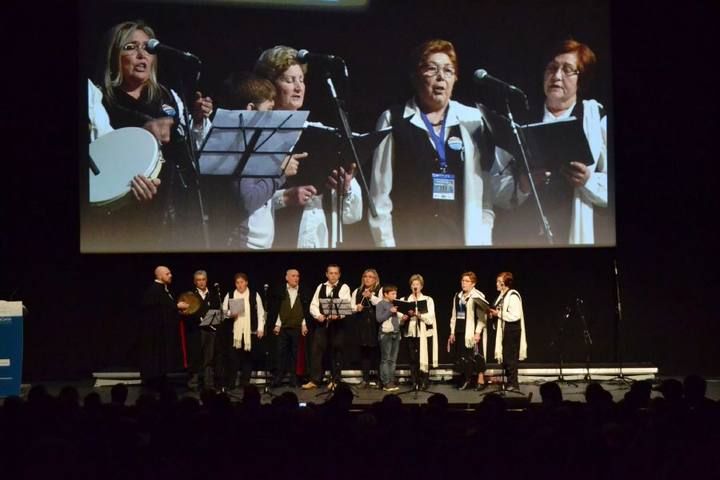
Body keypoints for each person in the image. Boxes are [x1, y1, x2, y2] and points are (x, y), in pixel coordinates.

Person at [95, 20, 213, 249]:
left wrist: (198, 121)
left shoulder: (168, 97)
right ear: (113, 56)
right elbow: (99, 161)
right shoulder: (101, 101)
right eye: (130, 47)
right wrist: (141, 136)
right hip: (130, 216)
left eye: (147, 48)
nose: (142, 54)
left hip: (179, 206)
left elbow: (193, 149)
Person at [369, 39, 497, 248]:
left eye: (448, 71)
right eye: (432, 69)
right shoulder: (393, 119)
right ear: (416, 76)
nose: (441, 77)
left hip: (460, 240)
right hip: (409, 240)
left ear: (455, 78)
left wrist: (482, 239)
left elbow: (485, 194)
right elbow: (379, 195)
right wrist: (386, 245)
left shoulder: (472, 120)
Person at [499, 39, 608, 246]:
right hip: (525, 235)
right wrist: (523, 184)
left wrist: (588, 181)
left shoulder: (595, 118)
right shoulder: (522, 120)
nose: (557, 76)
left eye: (567, 70)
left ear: (581, 79)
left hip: (574, 233)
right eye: (552, 68)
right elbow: (495, 185)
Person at [254, 45, 362, 249]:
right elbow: (237, 199)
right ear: (269, 85)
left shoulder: (321, 134)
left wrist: (345, 188)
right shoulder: (256, 134)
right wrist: (285, 197)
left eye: (301, 80)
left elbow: (353, 216)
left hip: (320, 235)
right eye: (289, 80)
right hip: (276, 239)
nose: (298, 87)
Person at [220, 72, 302, 249]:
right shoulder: (238, 145)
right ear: (250, 109)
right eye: (269, 110)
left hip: (263, 245)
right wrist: (280, 172)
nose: (272, 117)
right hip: (242, 245)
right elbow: (247, 200)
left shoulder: (259, 144)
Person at [303, 264, 352, 390]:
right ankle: (315, 380)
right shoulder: (321, 286)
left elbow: (345, 304)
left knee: (336, 352)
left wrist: (338, 315)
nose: (333, 275)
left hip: (337, 325)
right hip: (322, 324)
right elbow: (313, 305)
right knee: (316, 351)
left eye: (336, 273)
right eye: (331, 273)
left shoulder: (344, 287)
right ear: (326, 274)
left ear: (339, 275)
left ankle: (335, 380)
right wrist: (318, 315)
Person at [140, 266, 187, 389]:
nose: (170, 275)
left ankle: (161, 378)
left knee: (162, 358)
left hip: (162, 332)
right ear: (160, 276)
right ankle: (155, 381)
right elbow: (159, 311)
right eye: (167, 273)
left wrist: (177, 310)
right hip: (156, 334)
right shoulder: (155, 291)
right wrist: (177, 306)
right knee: (157, 357)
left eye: (170, 273)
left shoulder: (164, 290)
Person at [220, 273, 266, 390]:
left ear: (246, 283)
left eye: (242, 282)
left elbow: (261, 312)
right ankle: (231, 383)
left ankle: (245, 383)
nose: (239, 285)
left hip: (249, 331)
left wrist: (260, 328)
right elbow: (223, 311)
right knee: (233, 358)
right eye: (237, 283)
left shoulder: (254, 295)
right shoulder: (230, 294)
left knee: (247, 358)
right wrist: (231, 314)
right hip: (234, 332)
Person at [180, 270, 222, 390]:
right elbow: (186, 313)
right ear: (195, 282)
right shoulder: (190, 296)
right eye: (198, 280)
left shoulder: (214, 294)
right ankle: (193, 383)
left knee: (209, 358)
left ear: (206, 280)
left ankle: (209, 383)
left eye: (203, 279)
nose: (201, 282)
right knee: (195, 357)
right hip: (196, 331)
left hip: (211, 330)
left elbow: (218, 311)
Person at [448, 271, 489, 390]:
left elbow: (482, 316)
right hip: (460, 330)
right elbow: (454, 315)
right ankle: (467, 379)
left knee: (476, 355)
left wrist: (478, 332)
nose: (463, 283)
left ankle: (481, 380)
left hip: (473, 331)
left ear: (473, 283)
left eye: (467, 281)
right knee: (464, 356)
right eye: (462, 281)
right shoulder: (458, 296)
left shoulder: (477, 296)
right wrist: (452, 332)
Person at [271, 269, 310, 388]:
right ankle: (278, 378)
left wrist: (304, 324)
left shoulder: (302, 291)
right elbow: (278, 309)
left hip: (297, 328)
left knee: (295, 355)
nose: (296, 278)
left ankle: (294, 379)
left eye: (297, 276)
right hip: (283, 328)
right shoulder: (280, 291)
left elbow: (304, 310)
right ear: (286, 278)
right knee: (280, 353)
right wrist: (277, 325)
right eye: (293, 276)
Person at [488, 272, 527, 391]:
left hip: (512, 329)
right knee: (506, 358)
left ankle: (513, 384)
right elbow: (498, 310)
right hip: (505, 329)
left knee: (511, 358)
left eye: (499, 281)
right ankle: (509, 382)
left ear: (504, 283)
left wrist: (498, 314)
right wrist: (492, 314)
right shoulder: (501, 296)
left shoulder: (513, 295)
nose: (497, 283)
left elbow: (515, 316)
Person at [399, 274, 438, 390]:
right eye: (413, 284)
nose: (415, 286)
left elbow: (430, 317)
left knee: (423, 357)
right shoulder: (405, 300)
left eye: (417, 284)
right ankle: (414, 381)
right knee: (412, 358)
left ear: (421, 286)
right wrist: (403, 318)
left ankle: (424, 380)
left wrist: (418, 315)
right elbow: (399, 316)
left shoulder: (428, 299)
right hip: (410, 332)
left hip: (423, 333)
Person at [350, 269, 383, 387]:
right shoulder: (357, 291)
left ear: (375, 279)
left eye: (370, 277)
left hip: (376, 325)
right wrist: (356, 308)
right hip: (362, 325)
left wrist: (371, 297)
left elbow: (383, 304)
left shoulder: (380, 290)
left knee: (378, 353)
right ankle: (365, 379)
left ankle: (380, 379)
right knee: (364, 353)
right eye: (365, 276)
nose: (367, 279)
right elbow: (350, 306)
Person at [376, 284, 401, 392]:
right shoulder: (380, 304)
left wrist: (402, 318)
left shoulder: (395, 303)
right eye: (393, 293)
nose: (395, 295)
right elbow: (379, 318)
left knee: (393, 360)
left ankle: (391, 380)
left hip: (396, 333)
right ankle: (385, 382)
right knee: (385, 359)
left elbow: (396, 320)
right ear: (385, 294)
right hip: (385, 334)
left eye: (396, 293)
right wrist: (390, 311)